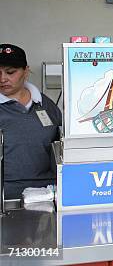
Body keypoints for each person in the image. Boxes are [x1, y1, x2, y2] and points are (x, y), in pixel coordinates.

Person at [0, 44, 61, 199]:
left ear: (26, 71)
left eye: (10, 72)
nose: (2, 79)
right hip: (6, 194)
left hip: (47, 193)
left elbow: (61, 147)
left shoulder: (45, 104)